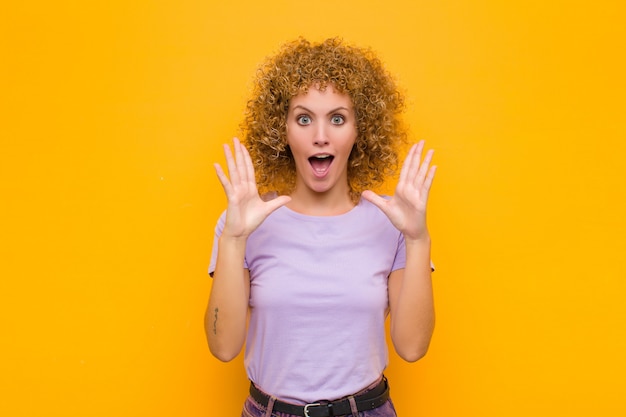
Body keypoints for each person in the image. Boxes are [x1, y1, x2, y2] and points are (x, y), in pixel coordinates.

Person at [206, 37, 436, 417]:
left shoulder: (391, 223)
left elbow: (412, 348)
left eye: (338, 118)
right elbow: (222, 347)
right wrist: (233, 240)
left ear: (360, 130)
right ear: (282, 130)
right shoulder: (245, 222)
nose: (320, 135)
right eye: (304, 118)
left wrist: (417, 240)